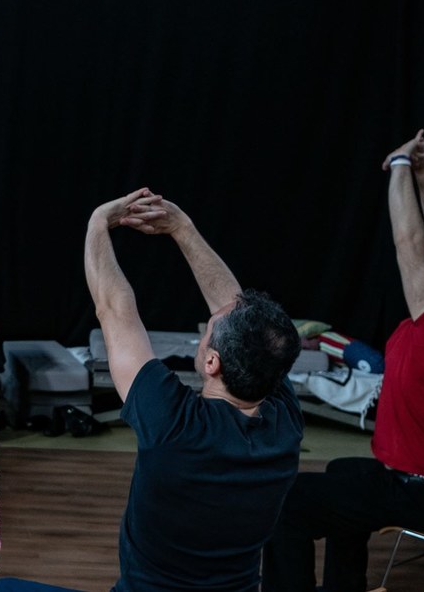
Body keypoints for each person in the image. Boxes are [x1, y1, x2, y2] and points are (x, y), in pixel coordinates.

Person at [263, 130, 424, 591]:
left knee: (284, 504)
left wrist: (401, 165)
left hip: (419, 492)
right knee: (345, 473)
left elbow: (407, 240)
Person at [84, 189, 303, 591]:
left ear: (211, 363)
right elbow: (237, 313)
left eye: (209, 328)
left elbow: (114, 308)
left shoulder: (172, 425)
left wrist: (99, 222)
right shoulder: (285, 423)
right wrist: (182, 228)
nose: (210, 321)